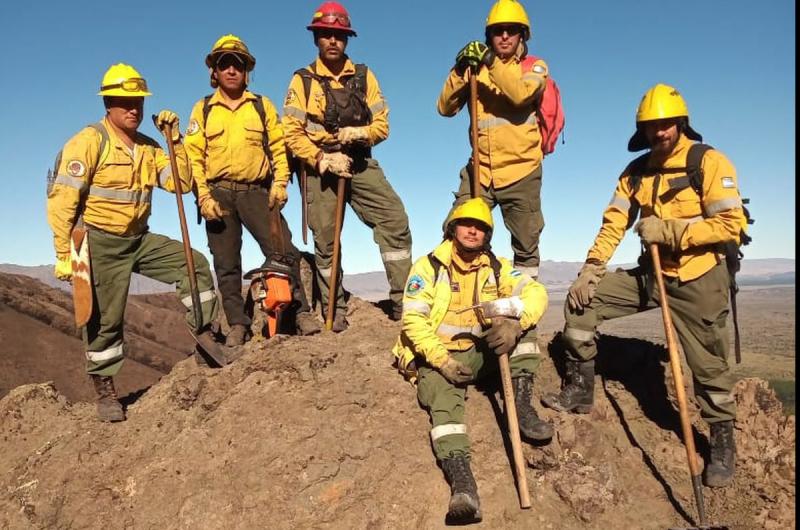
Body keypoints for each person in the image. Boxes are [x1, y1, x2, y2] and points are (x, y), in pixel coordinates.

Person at [542, 84, 747, 488]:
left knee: (708, 365)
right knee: (582, 302)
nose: (661, 133)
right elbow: (614, 222)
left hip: (698, 277)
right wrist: (591, 269)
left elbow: (730, 225)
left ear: (681, 123)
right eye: (652, 126)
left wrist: (670, 230)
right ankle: (581, 390)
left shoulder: (709, 163)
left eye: (667, 124)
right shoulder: (635, 172)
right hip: (652, 275)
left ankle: (722, 441)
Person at [47, 64, 227, 422]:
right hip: (100, 242)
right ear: (108, 104)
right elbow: (62, 200)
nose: (134, 109)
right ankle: (105, 389)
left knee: (192, 263)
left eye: (138, 102)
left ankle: (206, 336)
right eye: (125, 101)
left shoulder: (149, 146)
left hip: (138, 239)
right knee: (104, 319)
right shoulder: (88, 141)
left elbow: (181, 183)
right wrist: (63, 252)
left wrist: (175, 140)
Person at [392, 198, 550, 522]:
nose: (473, 230)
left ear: (487, 235)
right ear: (453, 228)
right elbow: (413, 322)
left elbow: (535, 293)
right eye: (466, 224)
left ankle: (519, 407)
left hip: (481, 352)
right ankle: (463, 484)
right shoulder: (428, 267)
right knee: (443, 402)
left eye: (480, 227)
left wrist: (515, 325)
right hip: (437, 355)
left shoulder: (496, 266)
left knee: (526, 334)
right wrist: (442, 361)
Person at [282, 2, 412, 331]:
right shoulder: (303, 81)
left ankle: (403, 302)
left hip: (359, 160)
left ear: (347, 39)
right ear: (316, 39)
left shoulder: (365, 77)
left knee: (394, 219)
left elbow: (383, 125)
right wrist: (321, 158)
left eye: (339, 35)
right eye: (326, 34)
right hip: (320, 166)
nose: (332, 41)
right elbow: (291, 133)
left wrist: (361, 132)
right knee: (326, 240)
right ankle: (333, 307)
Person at [185, 35, 320, 346]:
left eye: (238, 64)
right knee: (226, 262)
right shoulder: (203, 109)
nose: (232, 69)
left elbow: (277, 147)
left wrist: (280, 184)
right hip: (218, 195)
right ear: (214, 72)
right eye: (224, 64)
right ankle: (237, 324)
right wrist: (203, 196)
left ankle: (300, 312)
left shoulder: (261, 106)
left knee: (284, 251)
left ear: (246, 71)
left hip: (257, 191)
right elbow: (194, 156)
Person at [438, 0, 549, 281]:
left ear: (522, 35)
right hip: (481, 170)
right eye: (498, 30)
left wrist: (489, 62)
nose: (504, 36)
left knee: (525, 245)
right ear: (489, 35)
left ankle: (524, 311)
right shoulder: (476, 69)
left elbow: (521, 94)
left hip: (520, 171)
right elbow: (445, 108)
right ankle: (455, 301)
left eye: (511, 30)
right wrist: (459, 69)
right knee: (456, 232)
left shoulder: (534, 67)